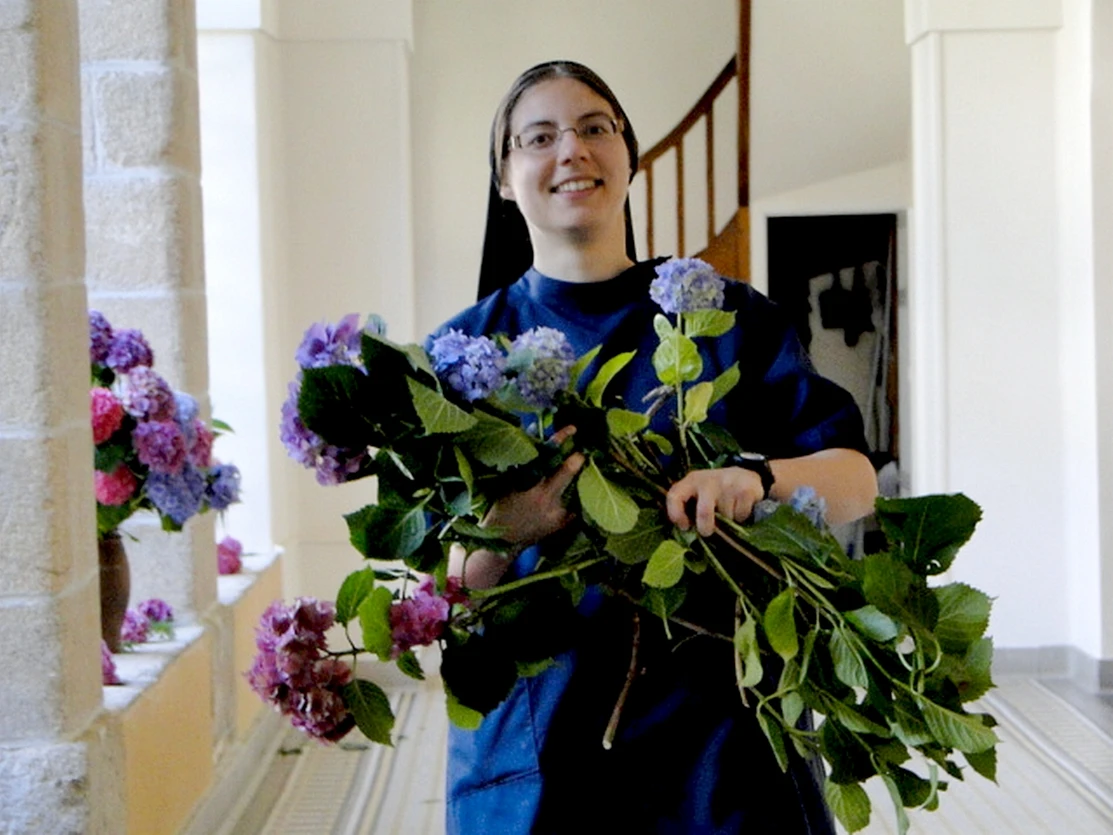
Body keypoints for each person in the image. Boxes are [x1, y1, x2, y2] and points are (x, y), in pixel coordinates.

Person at [429, 60, 878, 835]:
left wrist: (754, 479)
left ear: (629, 156)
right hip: (545, 741)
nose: (571, 149)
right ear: (503, 178)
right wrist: (503, 533)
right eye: (538, 136)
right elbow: (438, 595)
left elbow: (855, 478)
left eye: (594, 127)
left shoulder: (726, 319)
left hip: (721, 738)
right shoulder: (461, 355)